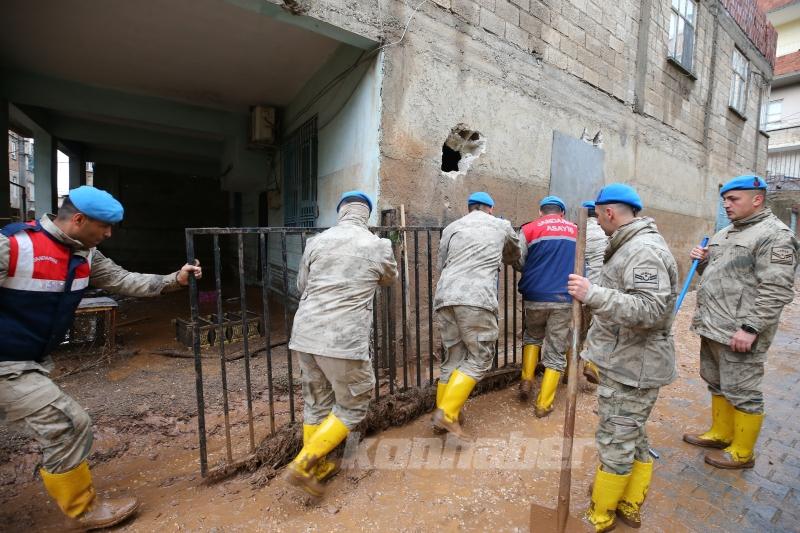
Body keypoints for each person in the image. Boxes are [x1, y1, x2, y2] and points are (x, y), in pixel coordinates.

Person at [0, 186, 202, 530]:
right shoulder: (13, 246)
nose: (109, 234)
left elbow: (124, 280)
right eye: (105, 227)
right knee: (67, 423)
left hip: (28, 360)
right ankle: (85, 511)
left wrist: (175, 280)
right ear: (79, 219)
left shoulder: (86, 255)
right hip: (7, 364)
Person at [567, 183, 678, 532]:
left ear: (610, 213)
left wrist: (592, 294)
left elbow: (652, 310)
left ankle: (600, 515)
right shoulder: (629, 245)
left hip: (635, 365)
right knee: (633, 433)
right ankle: (629, 502)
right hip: (628, 361)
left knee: (616, 439)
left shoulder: (642, 251)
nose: (597, 222)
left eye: (599, 215)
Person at [283, 191, 397, 498]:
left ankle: (318, 466)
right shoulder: (378, 245)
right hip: (343, 340)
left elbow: (301, 285)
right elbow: (389, 278)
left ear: (340, 213)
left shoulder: (316, 242)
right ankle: (304, 462)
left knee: (316, 402)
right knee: (352, 404)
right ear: (366, 216)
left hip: (305, 334)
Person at [683, 175, 799, 470]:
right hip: (714, 326)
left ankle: (743, 453)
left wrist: (751, 328)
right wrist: (705, 261)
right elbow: (719, 276)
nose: (726, 204)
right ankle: (721, 433)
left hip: (740, 330)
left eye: (733, 199)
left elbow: (777, 289)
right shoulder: (726, 232)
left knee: (744, 391)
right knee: (717, 382)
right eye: (724, 199)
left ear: (757, 199)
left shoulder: (775, 235)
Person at [430, 192, 520, 440]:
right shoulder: (501, 226)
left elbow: (441, 264)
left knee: (453, 358)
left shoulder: (452, 227)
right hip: (476, 298)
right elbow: (516, 256)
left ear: (469, 208)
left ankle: (444, 417)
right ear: (490, 209)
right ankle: (447, 413)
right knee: (480, 357)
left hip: (446, 296)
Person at [515, 195, 576, 417]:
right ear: (562, 213)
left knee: (532, 336)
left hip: (534, 295)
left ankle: (527, 380)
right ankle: (543, 404)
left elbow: (519, 260)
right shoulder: (575, 230)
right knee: (556, 350)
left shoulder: (529, 229)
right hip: (564, 298)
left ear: (541, 212)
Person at [581, 200, 608, 386]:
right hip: (600, 290)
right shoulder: (606, 234)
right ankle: (592, 365)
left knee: (576, 330)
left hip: (580, 288)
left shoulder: (577, 232)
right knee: (598, 329)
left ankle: (569, 371)